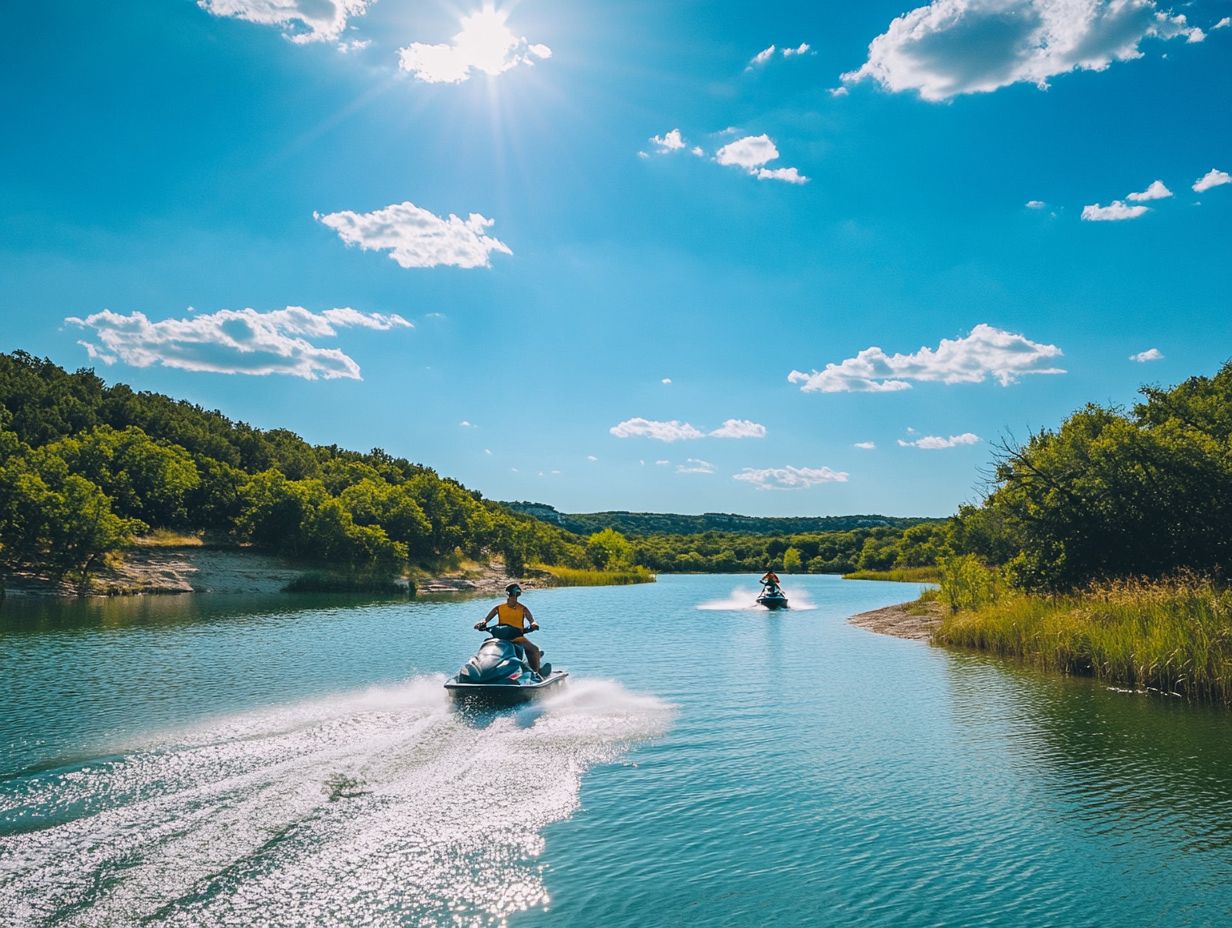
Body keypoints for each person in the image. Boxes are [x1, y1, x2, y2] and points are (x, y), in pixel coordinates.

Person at [475, 583, 543, 675]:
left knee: (534, 650)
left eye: (516, 594)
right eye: (513, 594)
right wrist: (481, 623)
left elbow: (531, 620)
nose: (514, 597)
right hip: (500, 637)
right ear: (509, 594)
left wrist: (534, 624)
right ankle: (480, 669)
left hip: (516, 638)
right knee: (485, 643)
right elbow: (486, 619)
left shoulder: (522, 609)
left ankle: (536, 674)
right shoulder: (499, 608)